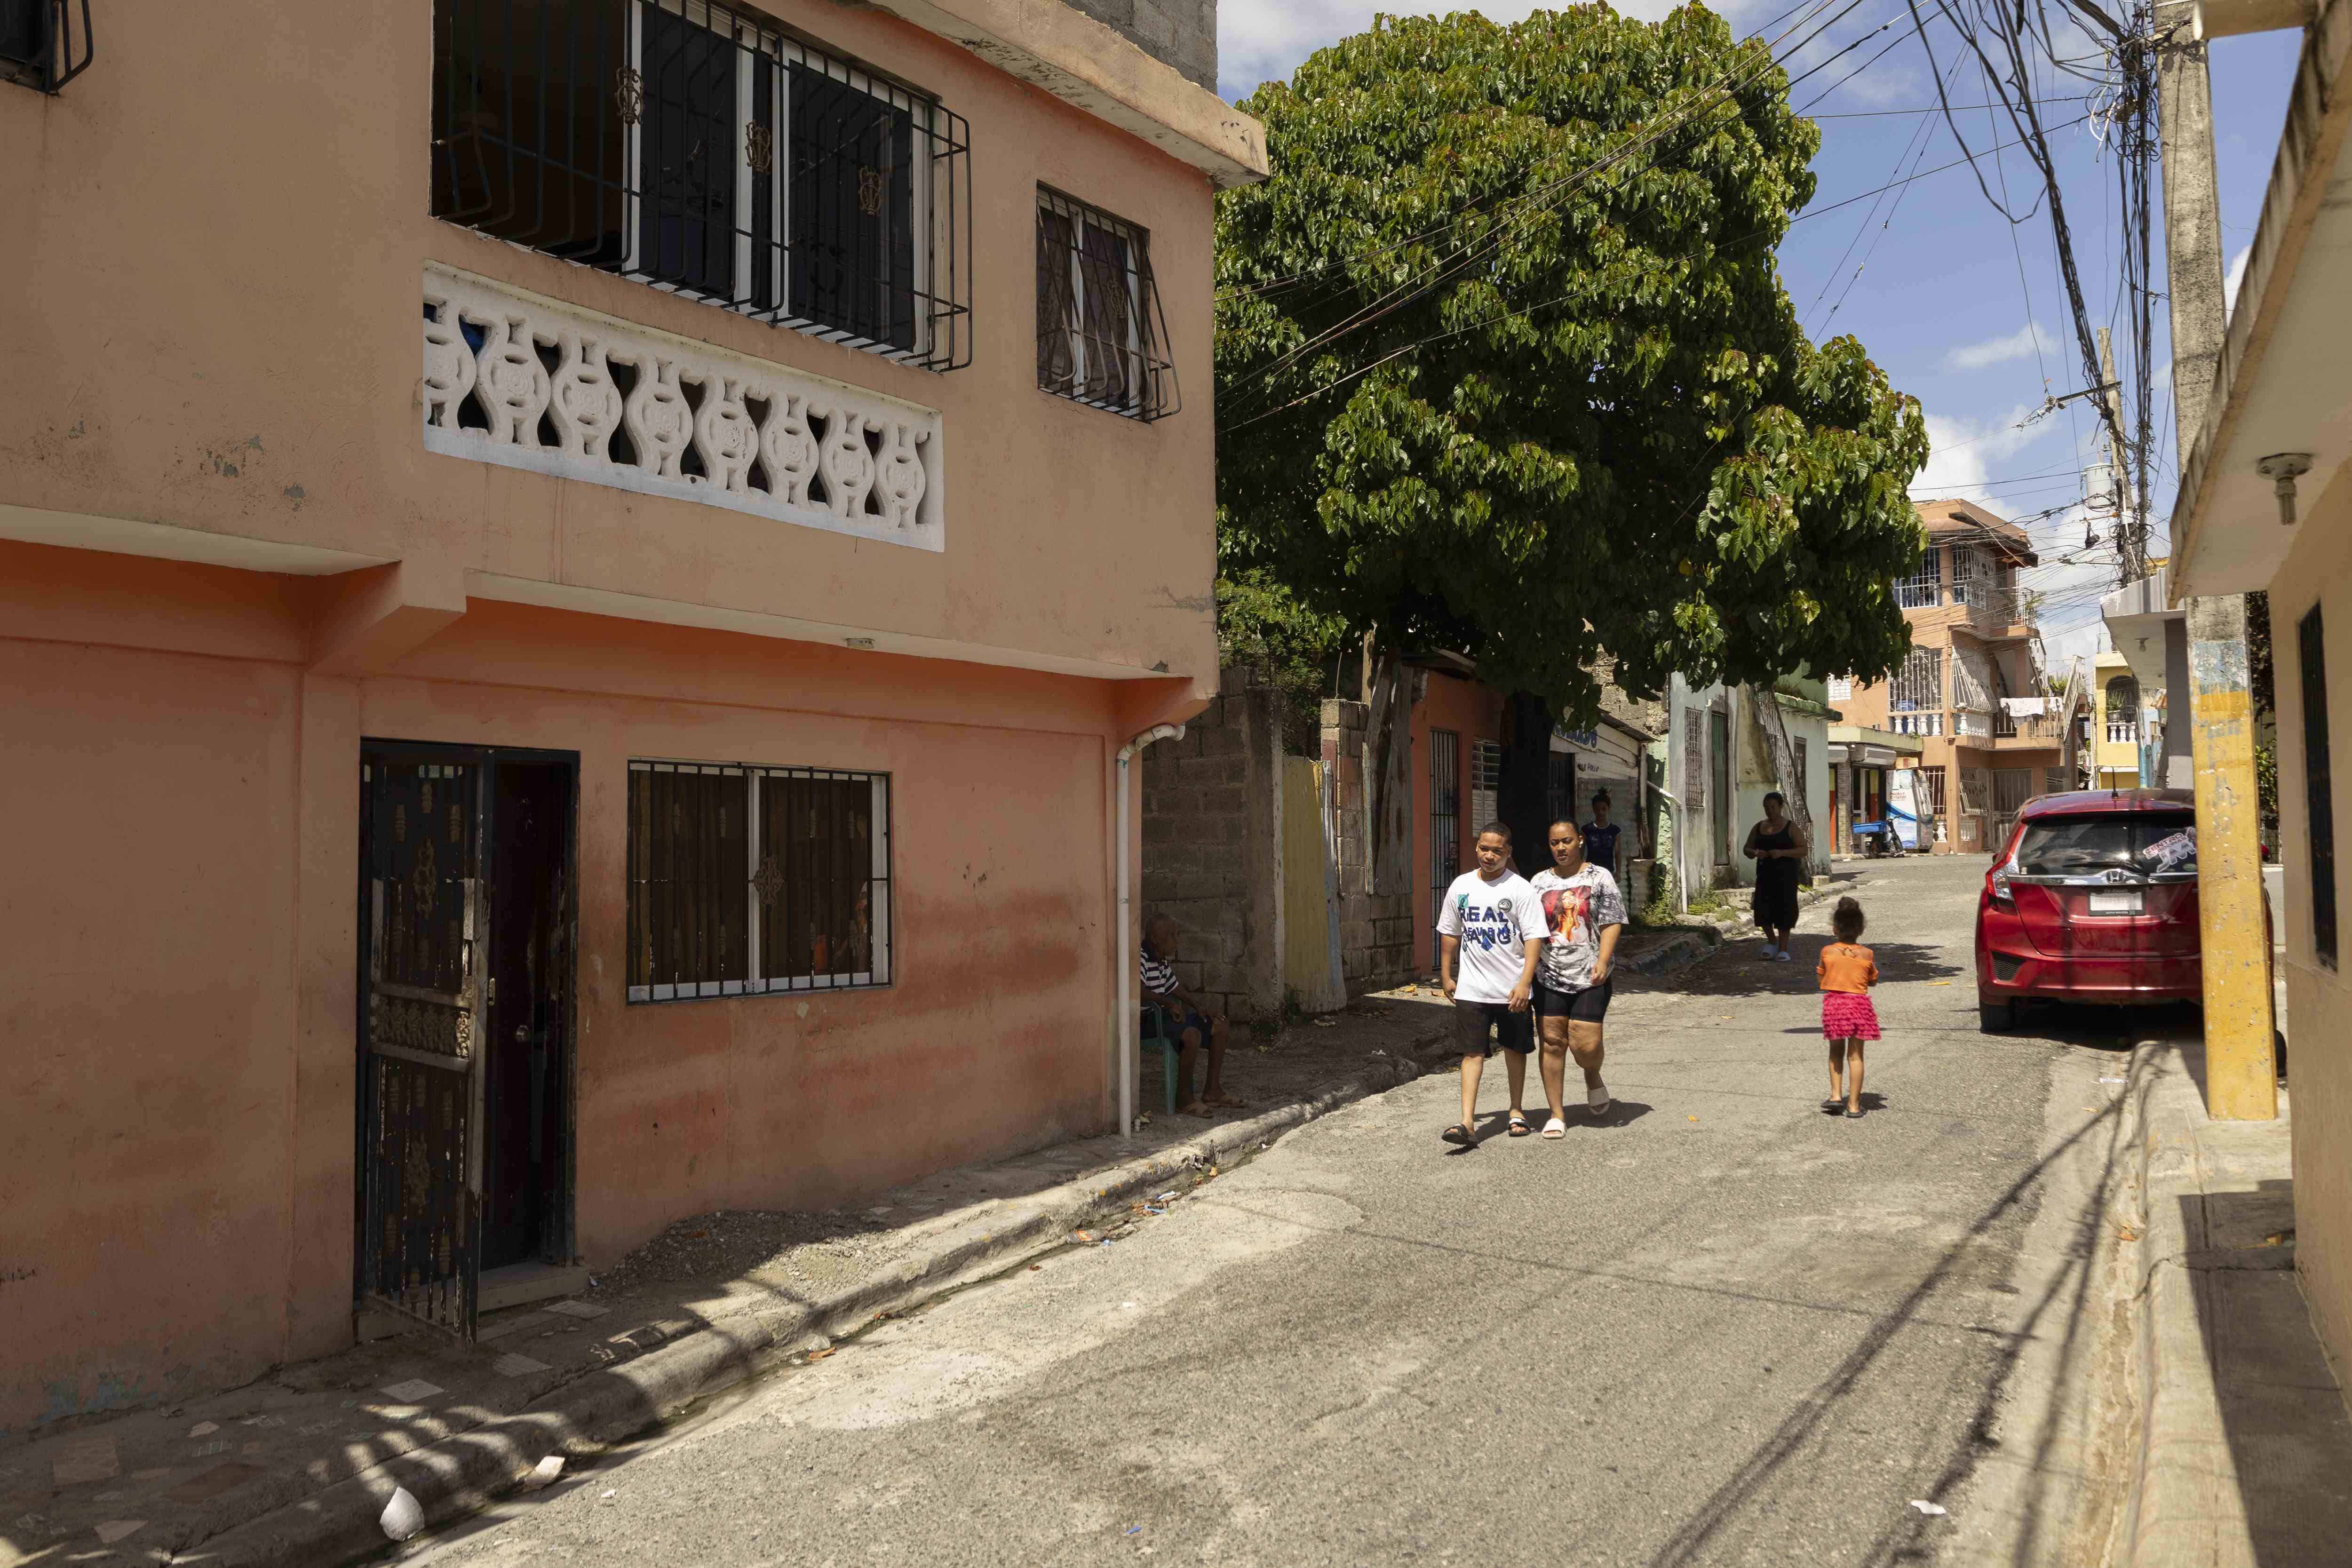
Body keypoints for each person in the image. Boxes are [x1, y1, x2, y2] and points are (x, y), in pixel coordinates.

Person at [1436, 823, 1546, 1146]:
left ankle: (1516, 1110)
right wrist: (1446, 975)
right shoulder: (1461, 886)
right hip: (1472, 989)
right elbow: (1449, 933)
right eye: (1485, 848)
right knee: (1472, 1053)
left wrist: (1525, 983)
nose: (1489, 855)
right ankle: (1467, 1122)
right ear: (1477, 847)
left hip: (1512, 989)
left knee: (1515, 1049)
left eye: (1497, 850)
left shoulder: (1521, 889)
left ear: (1508, 852)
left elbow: (1534, 938)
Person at [1531, 819, 1626, 1137]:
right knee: (1553, 1043)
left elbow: (1612, 921)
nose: (1561, 848)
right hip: (1549, 973)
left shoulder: (1599, 877)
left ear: (1580, 841)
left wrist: (1602, 960)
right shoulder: (1539, 882)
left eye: (1567, 841)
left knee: (1585, 1046)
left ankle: (1592, 1075)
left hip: (1590, 975)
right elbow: (1531, 930)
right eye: (1555, 842)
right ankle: (1557, 1114)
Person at [1140, 915, 1240, 1116]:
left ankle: (1213, 1091)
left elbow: (1175, 987)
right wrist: (1168, 1003)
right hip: (1148, 1021)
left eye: (1177, 934)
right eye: (1172, 935)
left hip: (1166, 1016)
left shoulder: (1161, 961)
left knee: (1220, 1025)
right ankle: (1184, 1100)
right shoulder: (1141, 957)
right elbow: (1137, 991)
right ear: (1155, 938)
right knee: (1192, 1034)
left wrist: (1198, 1006)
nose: (1177, 939)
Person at [1818, 896, 1880, 1118]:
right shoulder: (1868, 954)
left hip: (1835, 1005)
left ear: (1835, 928)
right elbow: (1872, 980)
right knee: (1856, 1056)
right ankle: (1853, 1106)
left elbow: (1821, 980)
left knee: (1836, 1052)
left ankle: (1836, 1096)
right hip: (1860, 1006)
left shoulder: (1827, 952)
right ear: (1861, 929)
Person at [1743, 791, 1809, 960]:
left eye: (1773, 807)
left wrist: (1782, 853)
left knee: (1784, 910)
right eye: (1766, 808)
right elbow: (1747, 849)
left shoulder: (1790, 827)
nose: (1770, 811)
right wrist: (1757, 853)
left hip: (1786, 876)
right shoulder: (1759, 827)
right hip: (1765, 875)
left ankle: (1783, 949)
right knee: (1762, 909)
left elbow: (1803, 849)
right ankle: (1772, 941)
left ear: (1781, 807)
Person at [1581, 792, 1626, 879]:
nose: (1600, 812)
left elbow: (1618, 853)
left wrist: (1619, 872)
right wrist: (1578, 870)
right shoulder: (1586, 830)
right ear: (1593, 810)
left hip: (1609, 873)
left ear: (1609, 809)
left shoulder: (1615, 831)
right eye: (1597, 809)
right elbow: (1581, 852)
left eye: (1604, 809)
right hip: (1591, 873)